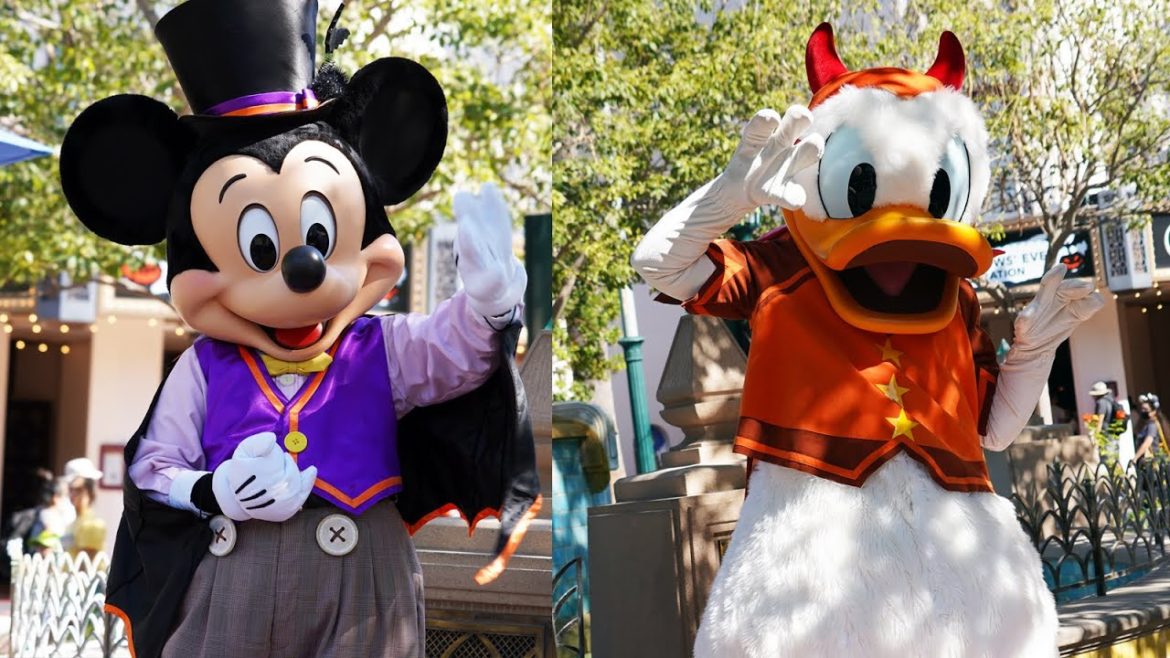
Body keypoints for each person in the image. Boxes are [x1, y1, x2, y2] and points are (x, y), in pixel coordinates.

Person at [62, 458, 107, 559]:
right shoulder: (73, 522)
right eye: (70, 489)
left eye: (78, 489)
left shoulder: (93, 524)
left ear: (90, 491)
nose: (73, 494)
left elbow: (86, 563)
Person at [1134, 394, 1168, 463]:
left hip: (1154, 462)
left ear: (1153, 411)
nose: (1143, 411)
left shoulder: (1152, 425)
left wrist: (1135, 458)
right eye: (1142, 409)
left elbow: (1147, 442)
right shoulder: (1147, 424)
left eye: (1146, 409)